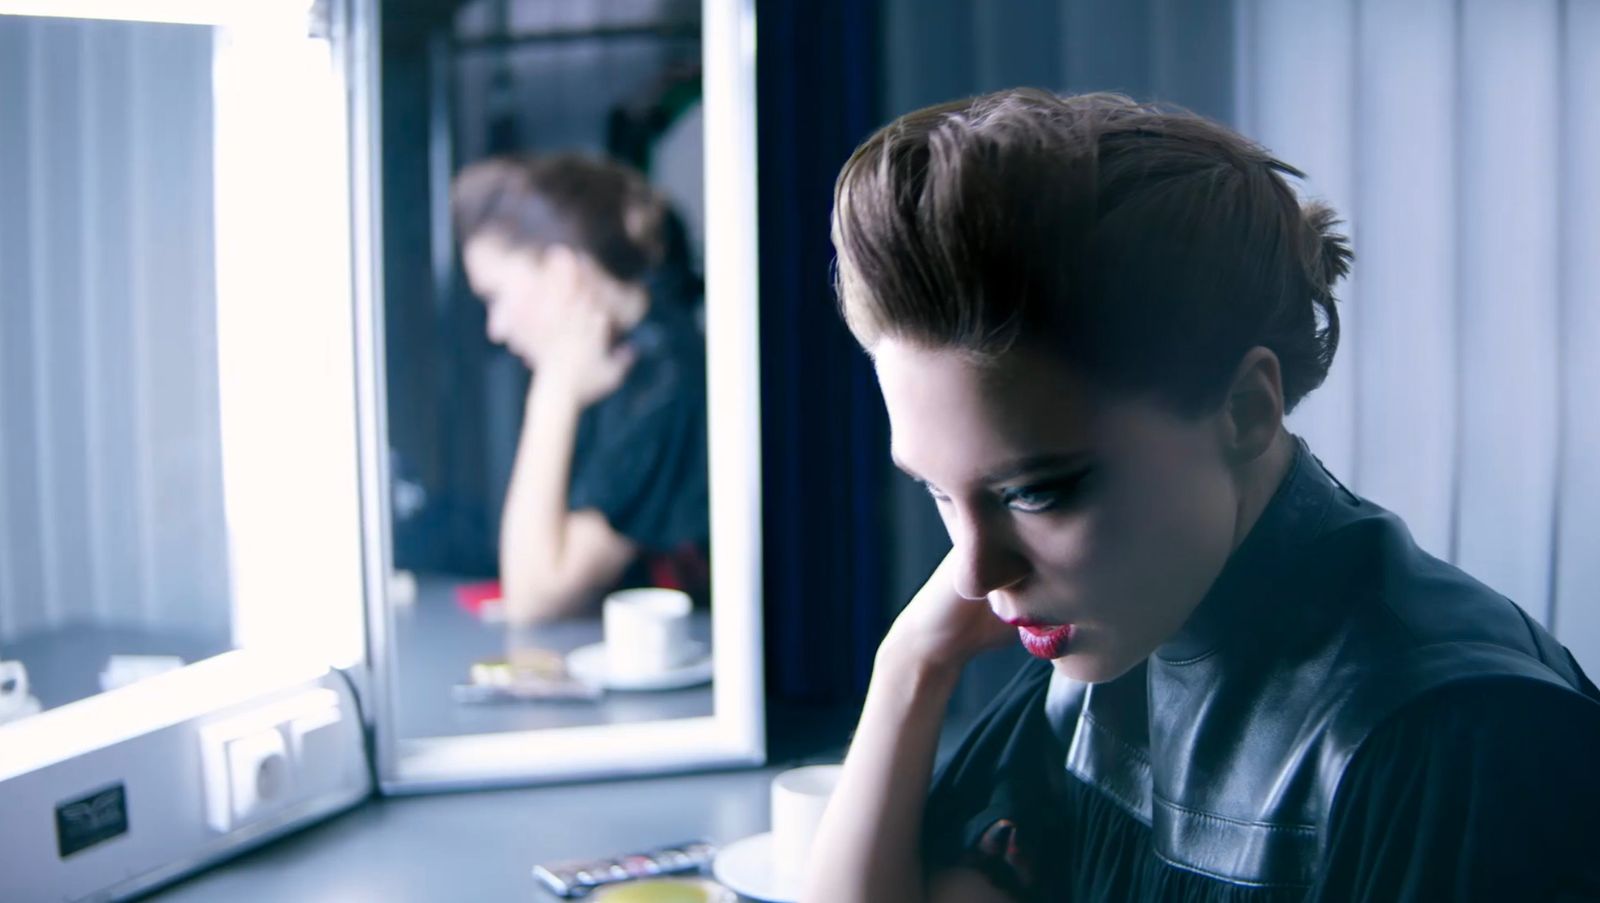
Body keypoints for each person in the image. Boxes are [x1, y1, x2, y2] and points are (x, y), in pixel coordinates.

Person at [805, 89, 1600, 902]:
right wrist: (909, 665)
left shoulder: (1464, 744)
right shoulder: (1114, 622)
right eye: (941, 492)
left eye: (1038, 492)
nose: (974, 574)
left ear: (1247, 409)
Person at [451, 153, 708, 623]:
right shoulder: (625, 364)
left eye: (497, 296)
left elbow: (536, 596)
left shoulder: (661, 383)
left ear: (562, 272)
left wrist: (553, 393)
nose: (497, 328)